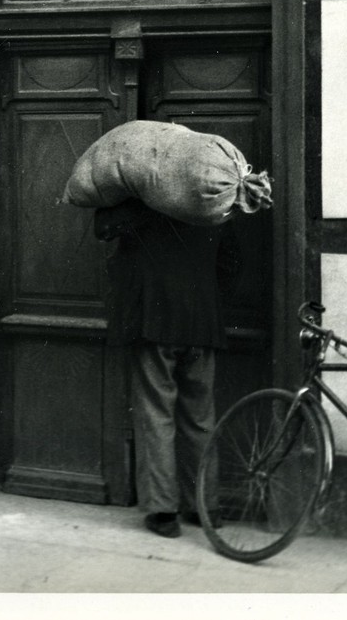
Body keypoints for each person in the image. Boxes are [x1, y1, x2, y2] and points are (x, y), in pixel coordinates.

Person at [95, 197, 232, 539]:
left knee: (156, 415)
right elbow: (231, 264)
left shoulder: (139, 200)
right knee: (201, 417)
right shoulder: (210, 198)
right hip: (203, 324)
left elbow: (103, 229)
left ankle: (163, 511)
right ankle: (205, 506)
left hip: (153, 324)